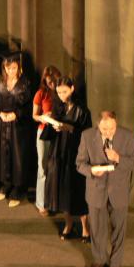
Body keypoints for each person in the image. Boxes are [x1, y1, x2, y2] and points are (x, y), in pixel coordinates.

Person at [76, 111, 134, 267]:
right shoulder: (87, 136)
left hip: (119, 192)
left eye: (112, 128)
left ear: (116, 124)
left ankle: (115, 264)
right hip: (96, 190)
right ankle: (98, 259)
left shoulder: (127, 136)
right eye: (104, 129)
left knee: (119, 230)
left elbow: (133, 161)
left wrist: (118, 158)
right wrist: (91, 171)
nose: (108, 132)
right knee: (96, 229)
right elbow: (79, 164)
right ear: (98, 126)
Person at [43, 76, 91, 242]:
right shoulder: (58, 107)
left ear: (72, 89)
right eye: (58, 92)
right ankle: (68, 224)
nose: (61, 95)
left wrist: (69, 128)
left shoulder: (82, 110)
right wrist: (50, 122)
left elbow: (88, 134)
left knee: (77, 191)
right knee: (61, 189)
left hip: (75, 153)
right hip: (59, 152)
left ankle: (85, 228)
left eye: (64, 91)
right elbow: (49, 134)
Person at [0, 52, 31, 207]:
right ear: (4, 67)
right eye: (8, 68)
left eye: (14, 67)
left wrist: (16, 114)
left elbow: (29, 105)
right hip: (2, 124)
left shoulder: (24, 83)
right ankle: (5, 186)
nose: (11, 71)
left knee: (17, 157)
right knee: (3, 155)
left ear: (18, 67)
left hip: (18, 127)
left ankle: (17, 190)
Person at [32, 66, 61, 216]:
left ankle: (55, 202)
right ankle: (41, 202)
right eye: (49, 82)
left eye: (54, 82)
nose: (52, 85)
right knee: (42, 167)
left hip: (58, 132)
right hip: (44, 132)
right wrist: (44, 116)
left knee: (56, 167)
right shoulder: (41, 94)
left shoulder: (62, 92)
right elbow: (34, 116)